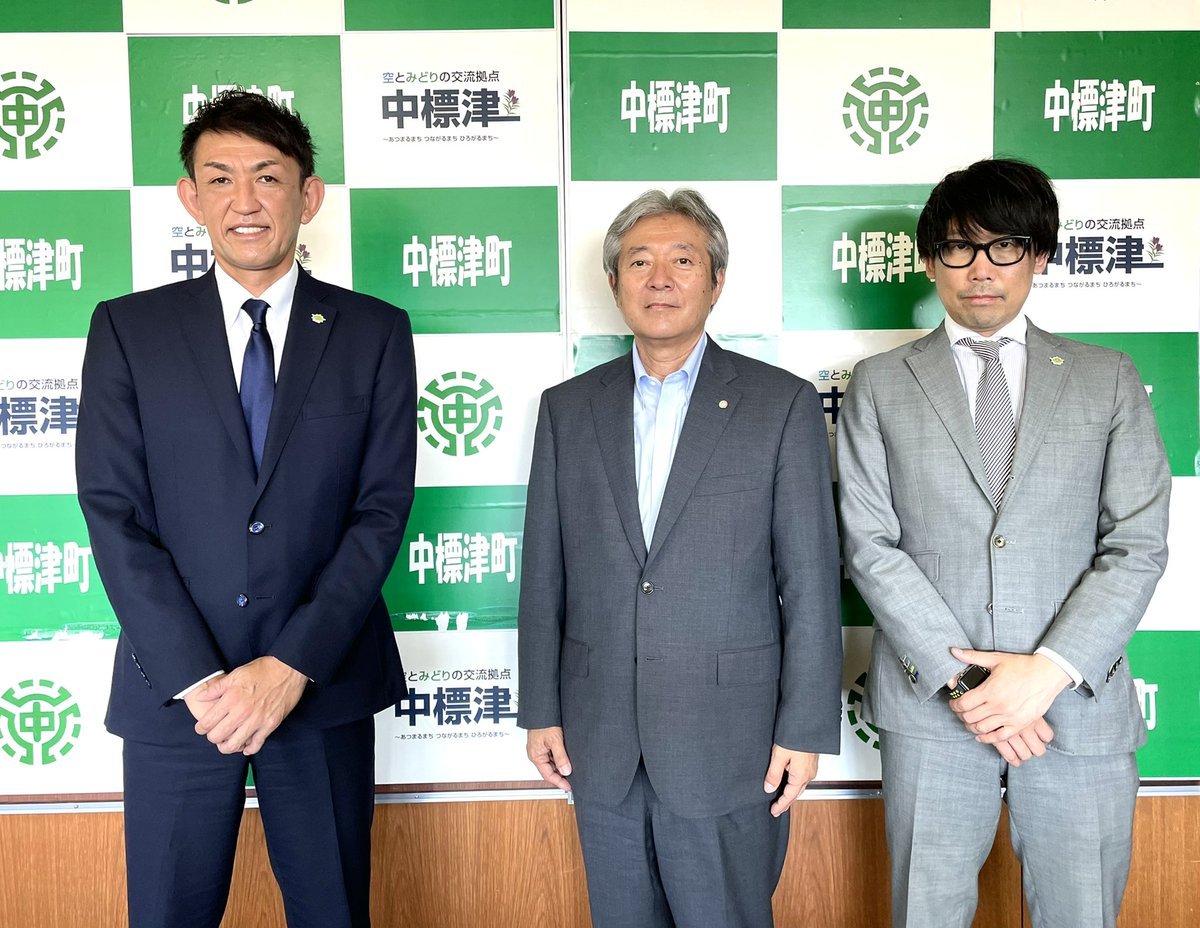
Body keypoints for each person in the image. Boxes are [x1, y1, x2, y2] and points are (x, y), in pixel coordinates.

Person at [75, 89, 416, 928]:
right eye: (220, 178)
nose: (245, 200)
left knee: (333, 911)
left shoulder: (373, 331)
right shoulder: (129, 330)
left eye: (268, 176)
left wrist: (291, 665)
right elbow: (114, 511)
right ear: (190, 198)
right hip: (178, 694)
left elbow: (380, 512)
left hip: (321, 683)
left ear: (309, 195)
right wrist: (200, 680)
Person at [836, 158, 1170, 928]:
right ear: (929, 260)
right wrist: (971, 690)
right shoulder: (879, 384)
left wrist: (1046, 672)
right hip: (934, 710)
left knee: (1082, 912)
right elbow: (870, 544)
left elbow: (1138, 542)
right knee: (927, 912)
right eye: (958, 247)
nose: (980, 269)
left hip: (1076, 707)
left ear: (1040, 255)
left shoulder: (1107, 378)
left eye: (1005, 246)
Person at [517, 188, 842, 928]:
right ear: (614, 282)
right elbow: (544, 576)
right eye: (639, 262)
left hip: (730, 740)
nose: (659, 279)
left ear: (716, 280)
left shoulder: (779, 404)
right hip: (599, 736)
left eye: (683, 261)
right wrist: (540, 709)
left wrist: (803, 727)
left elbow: (811, 583)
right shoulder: (568, 409)